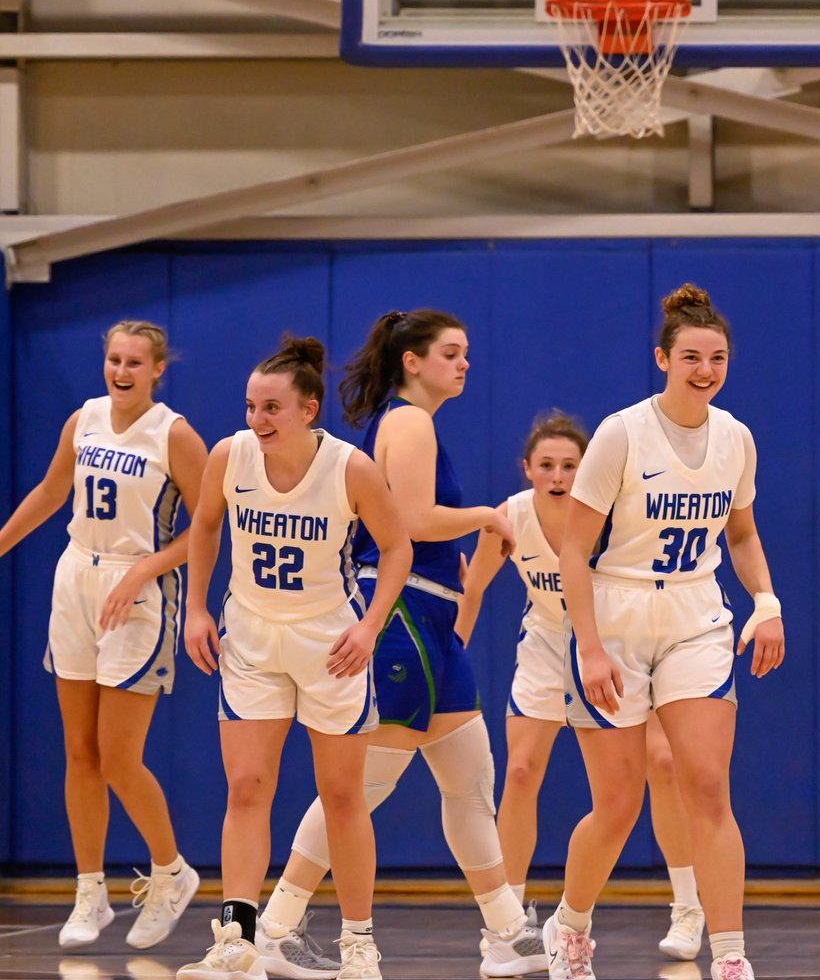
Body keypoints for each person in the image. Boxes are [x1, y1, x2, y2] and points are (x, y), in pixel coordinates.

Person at [256, 310, 544, 980]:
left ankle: (507, 931)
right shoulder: (409, 422)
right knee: (362, 786)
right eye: (451, 352)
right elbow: (413, 521)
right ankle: (275, 926)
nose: (464, 363)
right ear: (413, 361)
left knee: (469, 779)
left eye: (466, 353)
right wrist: (487, 516)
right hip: (401, 615)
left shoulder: (413, 422)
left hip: (433, 616)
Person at [543, 284, 785, 980]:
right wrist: (589, 647)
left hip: (694, 615)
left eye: (718, 358)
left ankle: (730, 954)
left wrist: (766, 600)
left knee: (705, 785)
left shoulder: (736, 438)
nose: (705, 370)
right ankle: (570, 925)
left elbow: (742, 533)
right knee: (618, 805)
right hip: (615, 614)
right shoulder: (621, 434)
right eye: (691, 358)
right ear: (663, 359)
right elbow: (573, 550)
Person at [177, 336, 412, 980]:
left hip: (329, 644)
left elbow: (398, 548)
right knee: (246, 787)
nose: (258, 419)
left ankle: (359, 944)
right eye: (251, 406)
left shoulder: (350, 468)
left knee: (341, 795)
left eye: (272, 407)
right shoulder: (229, 456)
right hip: (252, 638)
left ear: (309, 410)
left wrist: (369, 627)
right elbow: (204, 524)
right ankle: (236, 940)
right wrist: (195, 608)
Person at [456, 409, 707, 965]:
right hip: (548, 644)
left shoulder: (609, 511)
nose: (558, 475)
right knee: (520, 772)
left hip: (615, 640)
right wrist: (453, 651)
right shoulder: (509, 517)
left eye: (569, 465)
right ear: (527, 469)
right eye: (546, 465)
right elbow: (472, 590)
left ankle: (688, 906)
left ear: (587, 468)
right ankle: (506, 926)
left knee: (663, 763)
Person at [0, 319, 207, 951]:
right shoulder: (83, 419)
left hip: (138, 589)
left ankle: (172, 872)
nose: (121, 371)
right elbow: (50, 491)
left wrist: (144, 570)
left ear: (158, 370)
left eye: (134, 363)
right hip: (76, 580)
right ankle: (90, 891)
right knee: (80, 751)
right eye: (114, 360)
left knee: (119, 758)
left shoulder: (174, 434)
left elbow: (208, 526)